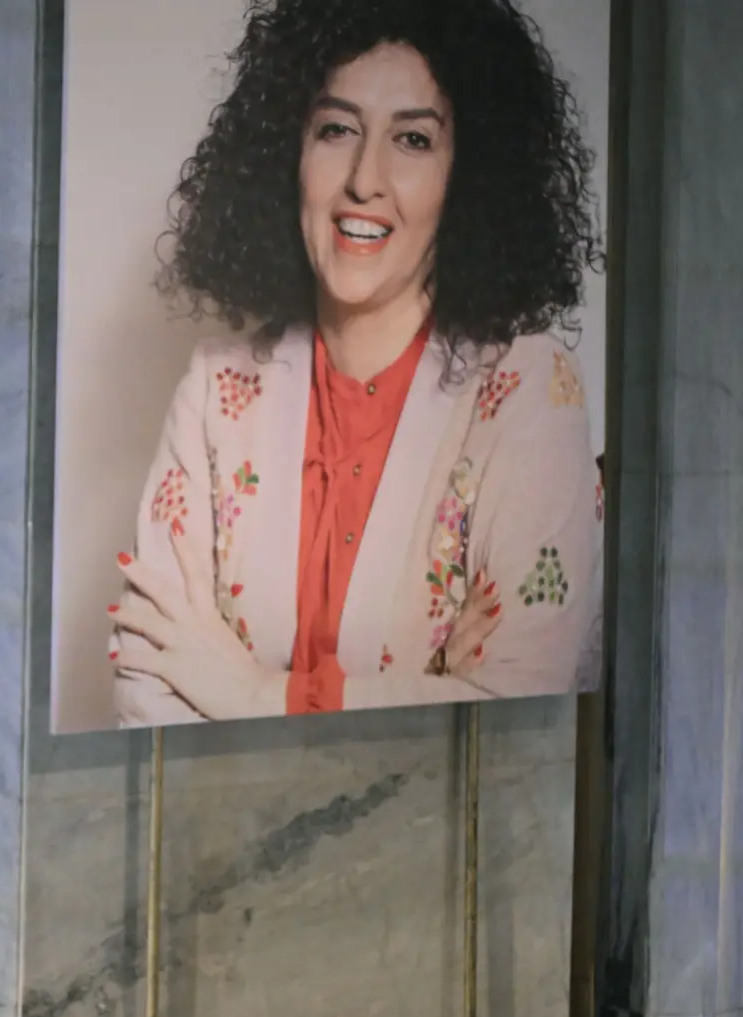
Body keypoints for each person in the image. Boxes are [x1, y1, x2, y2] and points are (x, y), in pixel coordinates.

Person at [109, 0, 604, 726]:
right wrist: (434, 692)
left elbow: (524, 713)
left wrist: (252, 693)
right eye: (337, 129)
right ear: (289, 153)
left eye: (413, 139)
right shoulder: (217, 390)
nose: (365, 181)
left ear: (467, 178)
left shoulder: (527, 391)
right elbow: (144, 686)